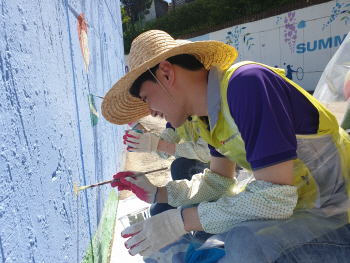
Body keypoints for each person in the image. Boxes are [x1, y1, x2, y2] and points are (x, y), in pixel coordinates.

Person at [102, 30, 350, 261]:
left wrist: (178, 221)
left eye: (146, 98)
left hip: (339, 215)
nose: (151, 111)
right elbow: (219, 182)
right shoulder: (208, 116)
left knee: (245, 243)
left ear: (167, 73)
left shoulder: (247, 84)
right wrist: (158, 193)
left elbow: (275, 199)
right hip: (306, 210)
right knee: (211, 227)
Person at [124, 119, 211, 216]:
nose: (154, 115)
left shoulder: (204, 114)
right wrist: (134, 124)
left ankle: (199, 213)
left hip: (215, 170)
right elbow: (163, 149)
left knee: (180, 167)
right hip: (198, 170)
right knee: (156, 211)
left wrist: (157, 144)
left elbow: (206, 153)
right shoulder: (175, 118)